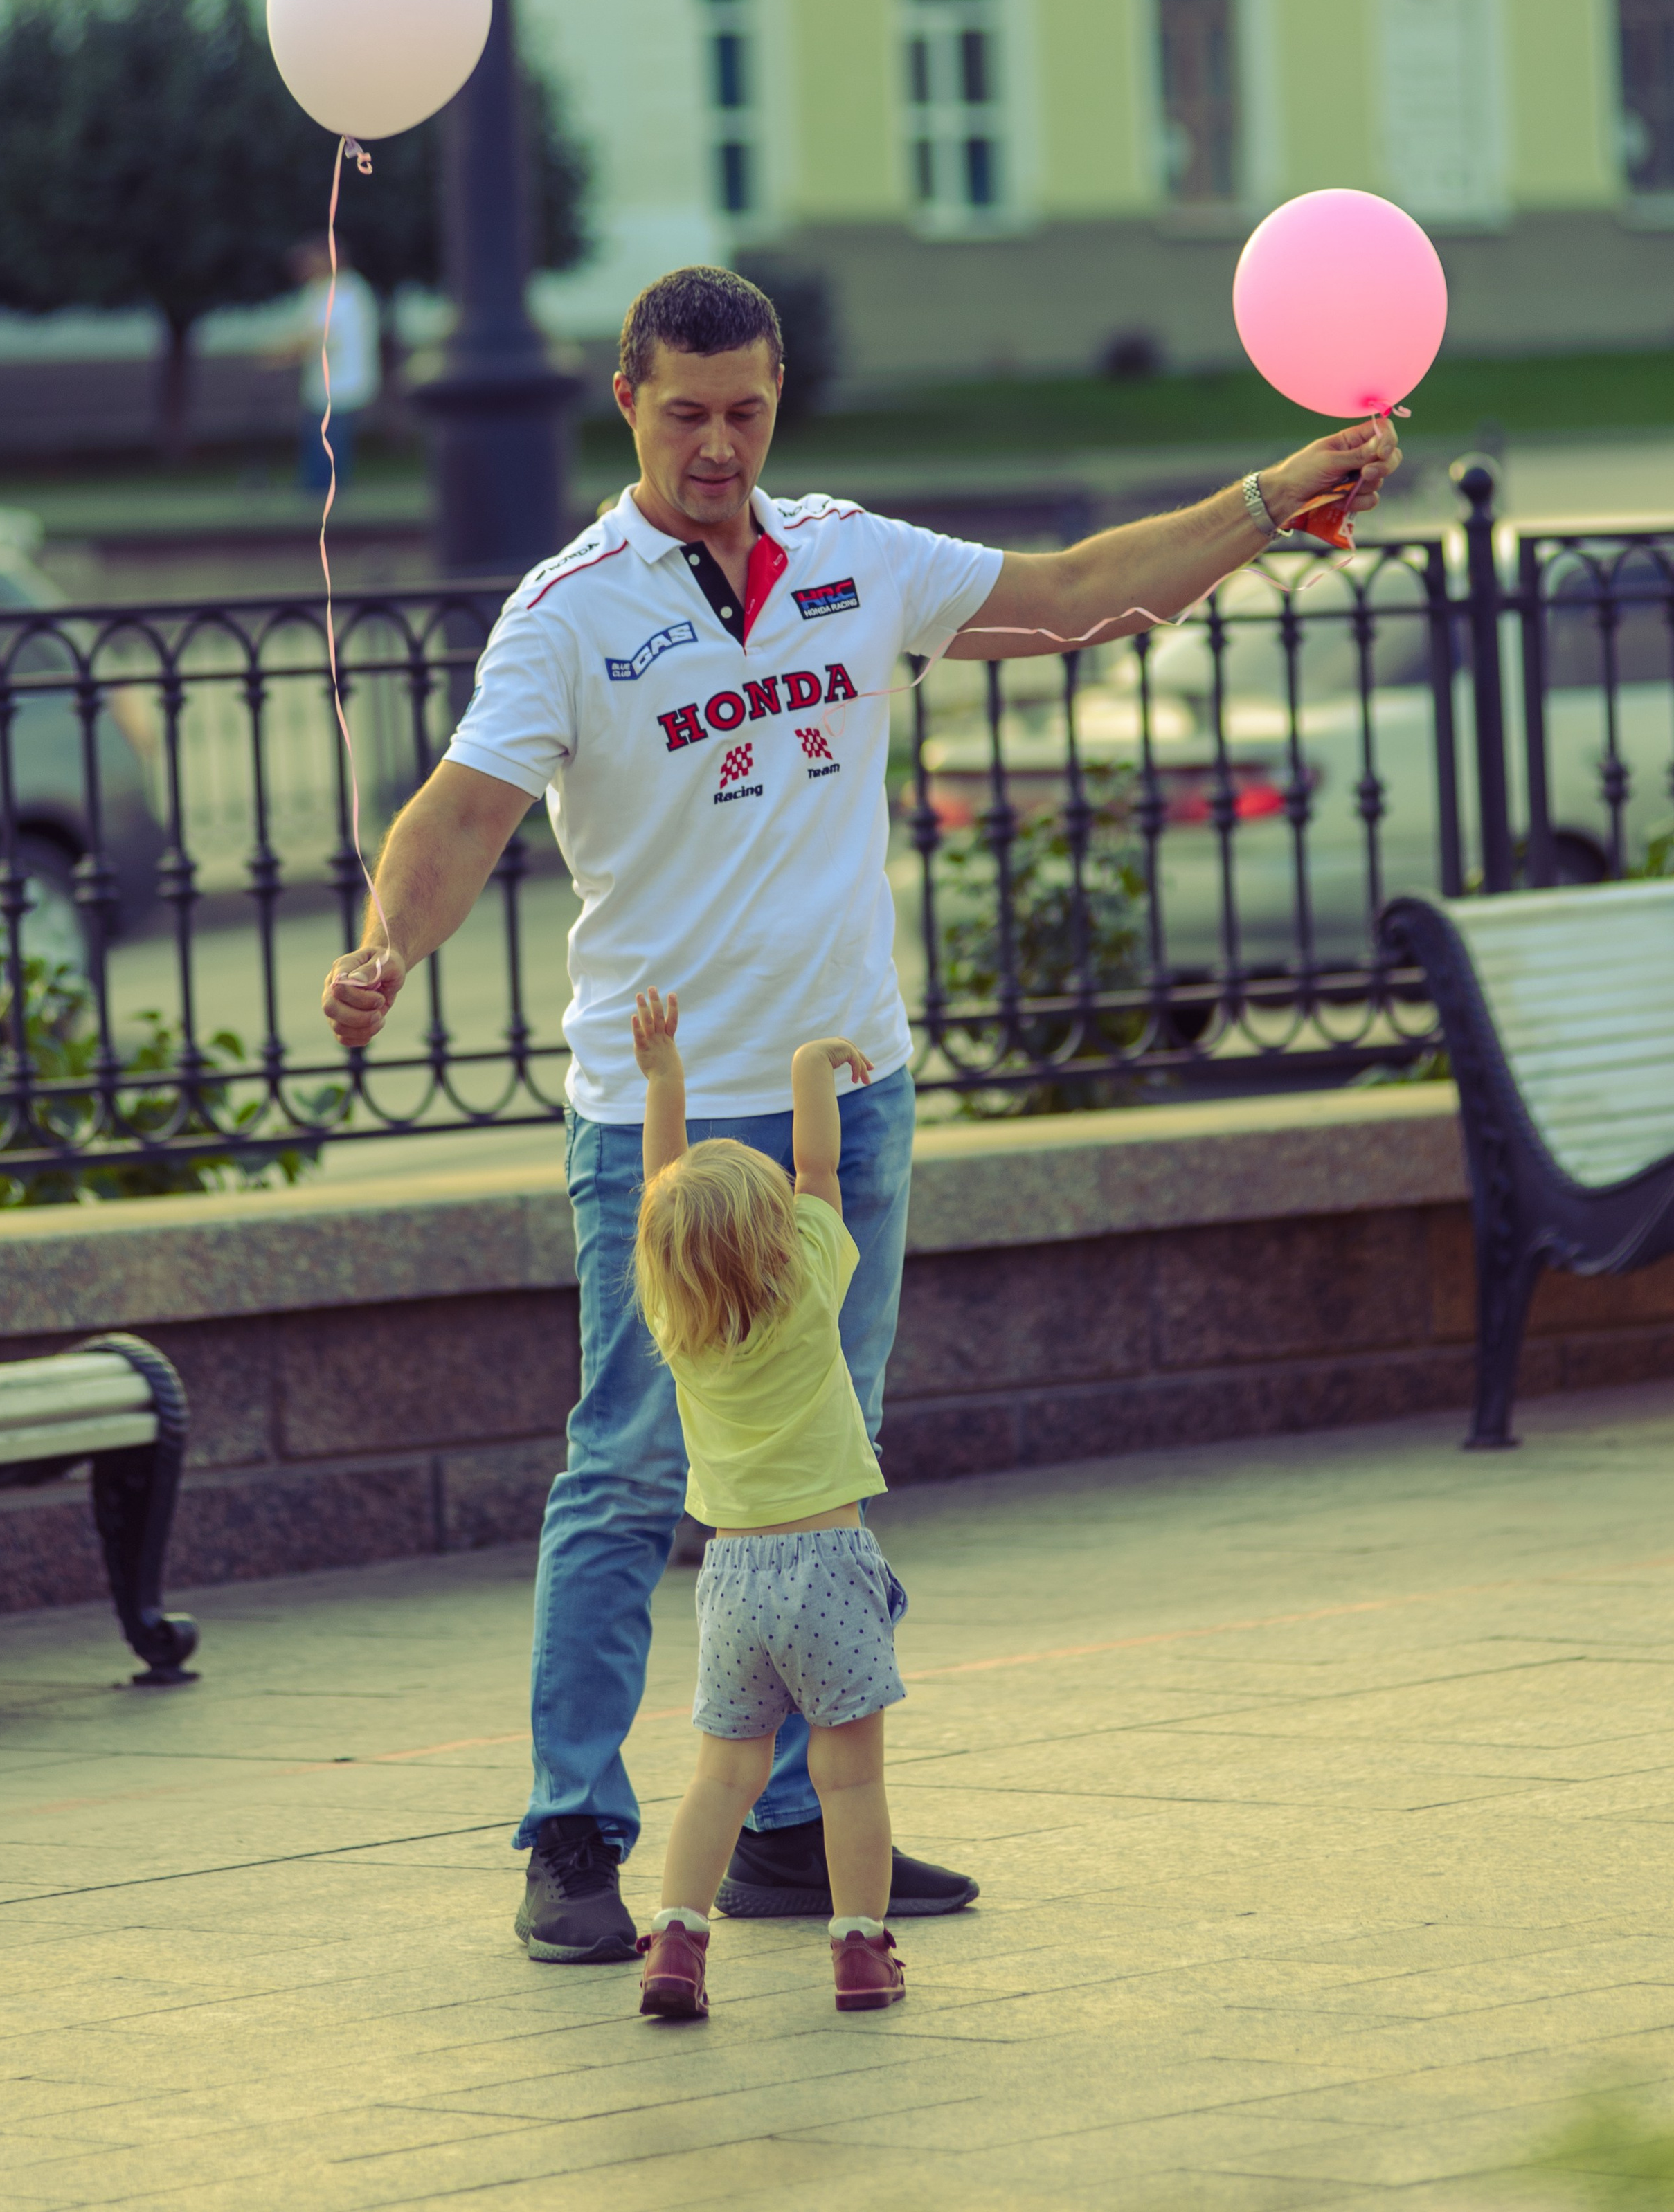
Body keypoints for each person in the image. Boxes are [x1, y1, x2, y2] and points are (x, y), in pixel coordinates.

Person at [321, 263, 1401, 1965]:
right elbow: (457, 816)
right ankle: (572, 1829)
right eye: (684, 412)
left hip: (847, 1104)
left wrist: (1274, 494)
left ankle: (785, 1826)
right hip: (663, 1135)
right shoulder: (569, 606)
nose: (718, 445)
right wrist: (388, 941)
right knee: (627, 1466)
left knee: (813, 1474)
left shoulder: (845, 557)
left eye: (745, 409)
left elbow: (1072, 594)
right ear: (628, 402)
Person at [628, 989, 908, 2022]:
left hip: (731, 1577)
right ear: (781, 1231)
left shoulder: (674, 1312)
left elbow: (665, 1185)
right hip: (830, 1562)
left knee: (719, 1777)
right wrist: (808, 1067)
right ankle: (860, 1950)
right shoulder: (810, 1283)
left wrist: (664, 1079)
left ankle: (675, 1940)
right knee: (848, 1777)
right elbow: (823, 1169)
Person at [264, 236, 380, 493]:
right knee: (321, 439)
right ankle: (316, 490)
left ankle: (322, 493)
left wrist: (280, 357)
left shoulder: (345, 291)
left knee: (329, 442)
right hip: (325, 385)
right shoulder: (319, 291)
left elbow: (317, 335)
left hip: (341, 383)